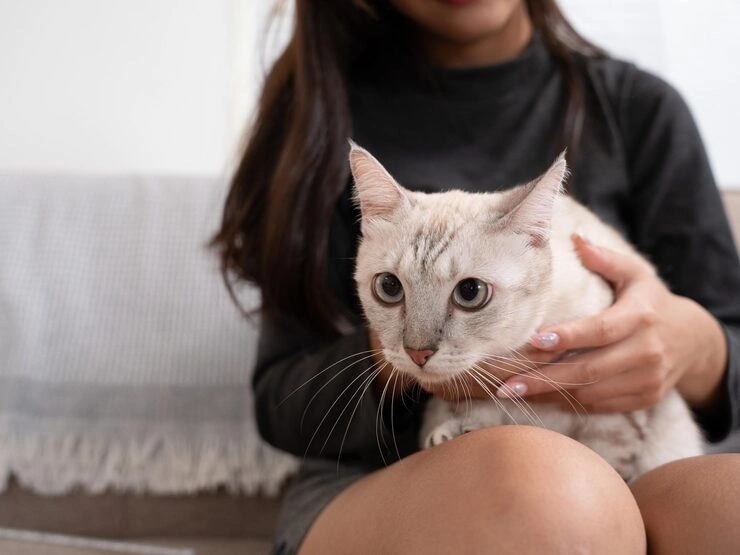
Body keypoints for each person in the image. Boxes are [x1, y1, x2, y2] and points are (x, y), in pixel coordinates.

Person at [212, 0, 740, 553]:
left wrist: (687, 343)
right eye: (387, 287)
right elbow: (280, 402)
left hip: (632, 443)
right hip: (378, 476)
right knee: (556, 503)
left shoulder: (639, 107)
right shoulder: (318, 114)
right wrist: (402, 362)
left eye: (469, 291)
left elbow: (728, 337)